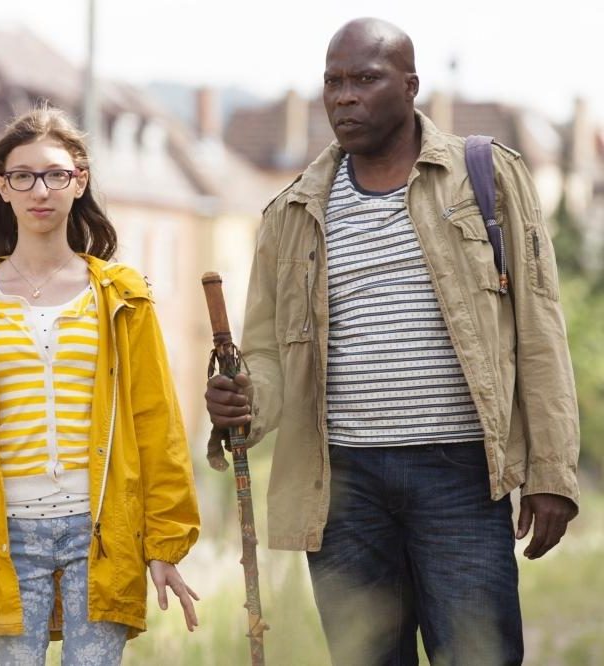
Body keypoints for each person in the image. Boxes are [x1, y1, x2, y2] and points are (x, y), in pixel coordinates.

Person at [205, 17, 579, 666]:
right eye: (333, 82)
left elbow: (539, 326)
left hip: (461, 476)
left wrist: (552, 471)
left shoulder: (485, 175)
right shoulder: (290, 212)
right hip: (344, 488)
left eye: (365, 79)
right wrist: (242, 399)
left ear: (410, 86)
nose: (344, 96)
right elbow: (267, 355)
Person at [0, 106, 200, 665]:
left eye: (55, 175)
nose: (40, 190)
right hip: (5, 538)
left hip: (101, 533)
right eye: (23, 176)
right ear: (3, 187)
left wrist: (165, 543)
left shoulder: (122, 298)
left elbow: (157, 425)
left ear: (79, 181)